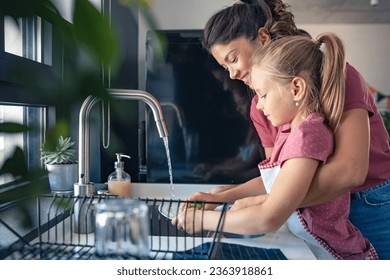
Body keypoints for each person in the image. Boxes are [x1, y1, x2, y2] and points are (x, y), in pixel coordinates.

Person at [178, 0, 390, 259]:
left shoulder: (336, 76)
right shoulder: (261, 107)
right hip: (322, 213)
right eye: (225, 67)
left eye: (233, 58)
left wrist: (268, 206)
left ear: (263, 37)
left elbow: (350, 172)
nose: (232, 74)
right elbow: (278, 177)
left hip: (371, 202)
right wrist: (222, 197)